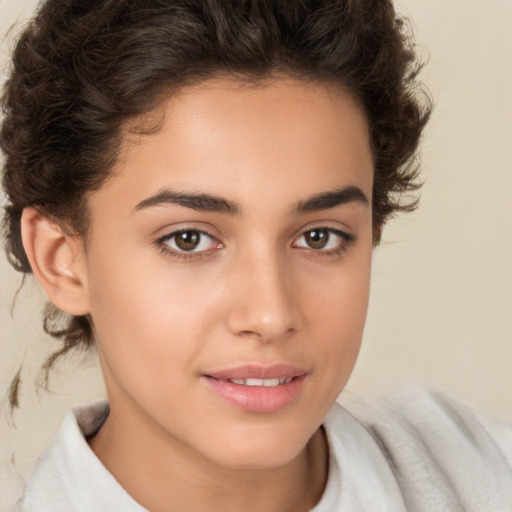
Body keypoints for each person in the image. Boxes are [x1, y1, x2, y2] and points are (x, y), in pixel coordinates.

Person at [1, 0, 511, 511]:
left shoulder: (481, 470)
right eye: (189, 240)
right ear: (61, 258)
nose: (270, 315)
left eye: (319, 237)